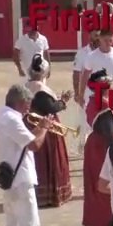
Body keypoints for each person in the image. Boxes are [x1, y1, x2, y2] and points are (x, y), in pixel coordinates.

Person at [0, 84, 50, 226]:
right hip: (21, 178)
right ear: (20, 102)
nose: (28, 109)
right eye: (27, 104)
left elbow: (19, 140)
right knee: (30, 223)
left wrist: (35, 129)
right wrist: (43, 129)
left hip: (7, 175)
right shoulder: (13, 120)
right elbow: (34, 144)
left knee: (12, 222)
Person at [26, 55, 73, 207]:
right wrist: (63, 101)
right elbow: (50, 108)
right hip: (45, 130)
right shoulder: (41, 90)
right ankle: (50, 195)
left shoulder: (27, 86)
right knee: (49, 161)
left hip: (31, 126)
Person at [82, 69, 113, 226]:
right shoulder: (103, 104)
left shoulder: (94, 101)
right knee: (108, 185)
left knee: (96, 185)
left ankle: (99, 221)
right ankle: (106, 224)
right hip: (103, 149)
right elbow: (109, 133)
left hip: (95, 146)